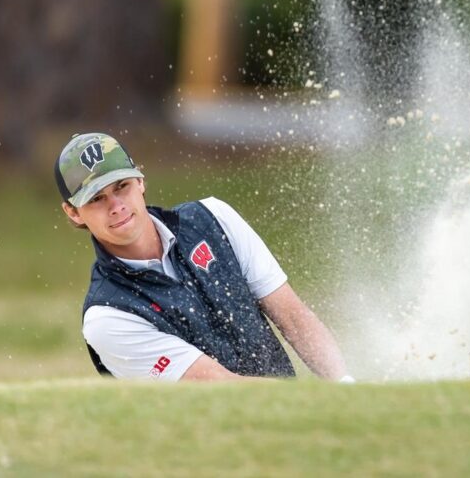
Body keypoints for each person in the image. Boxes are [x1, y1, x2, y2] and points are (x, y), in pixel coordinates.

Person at [55, 132, 352, 382]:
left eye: (122, 186)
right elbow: (219, 386)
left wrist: (345, 388)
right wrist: (305, 409)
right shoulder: (108, 316)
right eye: (96, 199)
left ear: (141, 181)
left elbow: (293, 317)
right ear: (73, 212)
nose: (116, 205)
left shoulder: (214, 218)